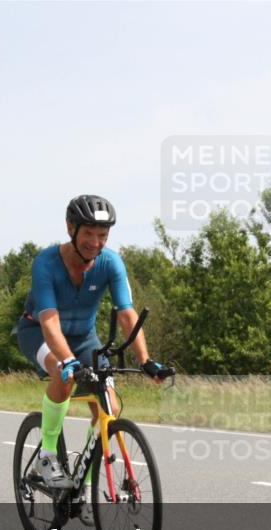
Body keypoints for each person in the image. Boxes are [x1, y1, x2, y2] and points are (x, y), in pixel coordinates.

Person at [16, 194, 172, 491]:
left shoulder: (111, 263)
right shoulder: (46, 263)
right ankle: (47, 456)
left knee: (110, 405)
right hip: (38, 331)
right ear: (70, 227)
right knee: (62, 372)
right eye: (88, 233)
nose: (95, 242)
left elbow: (127, 314)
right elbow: (49, 321)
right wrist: (69, 361)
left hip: (85, 338)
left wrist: (145, 360)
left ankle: (84, 483)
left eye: (103, 235)